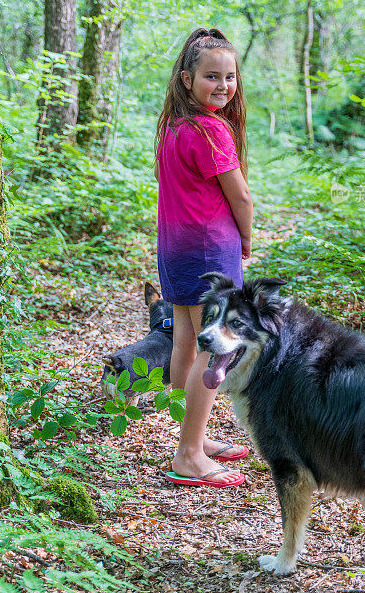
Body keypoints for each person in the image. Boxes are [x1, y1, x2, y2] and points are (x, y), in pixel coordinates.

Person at [155, 27, 253, 489]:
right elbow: (241, 199)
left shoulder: (173, 125)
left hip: (175, 248)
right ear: (186, 78)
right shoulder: (212, 130)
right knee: (213, 349)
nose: (223, 86)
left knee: (185, 343)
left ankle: (192, 437)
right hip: (209, 252)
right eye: (211, 76)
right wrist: (247, 240)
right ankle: (189, 454)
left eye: (229, 77)